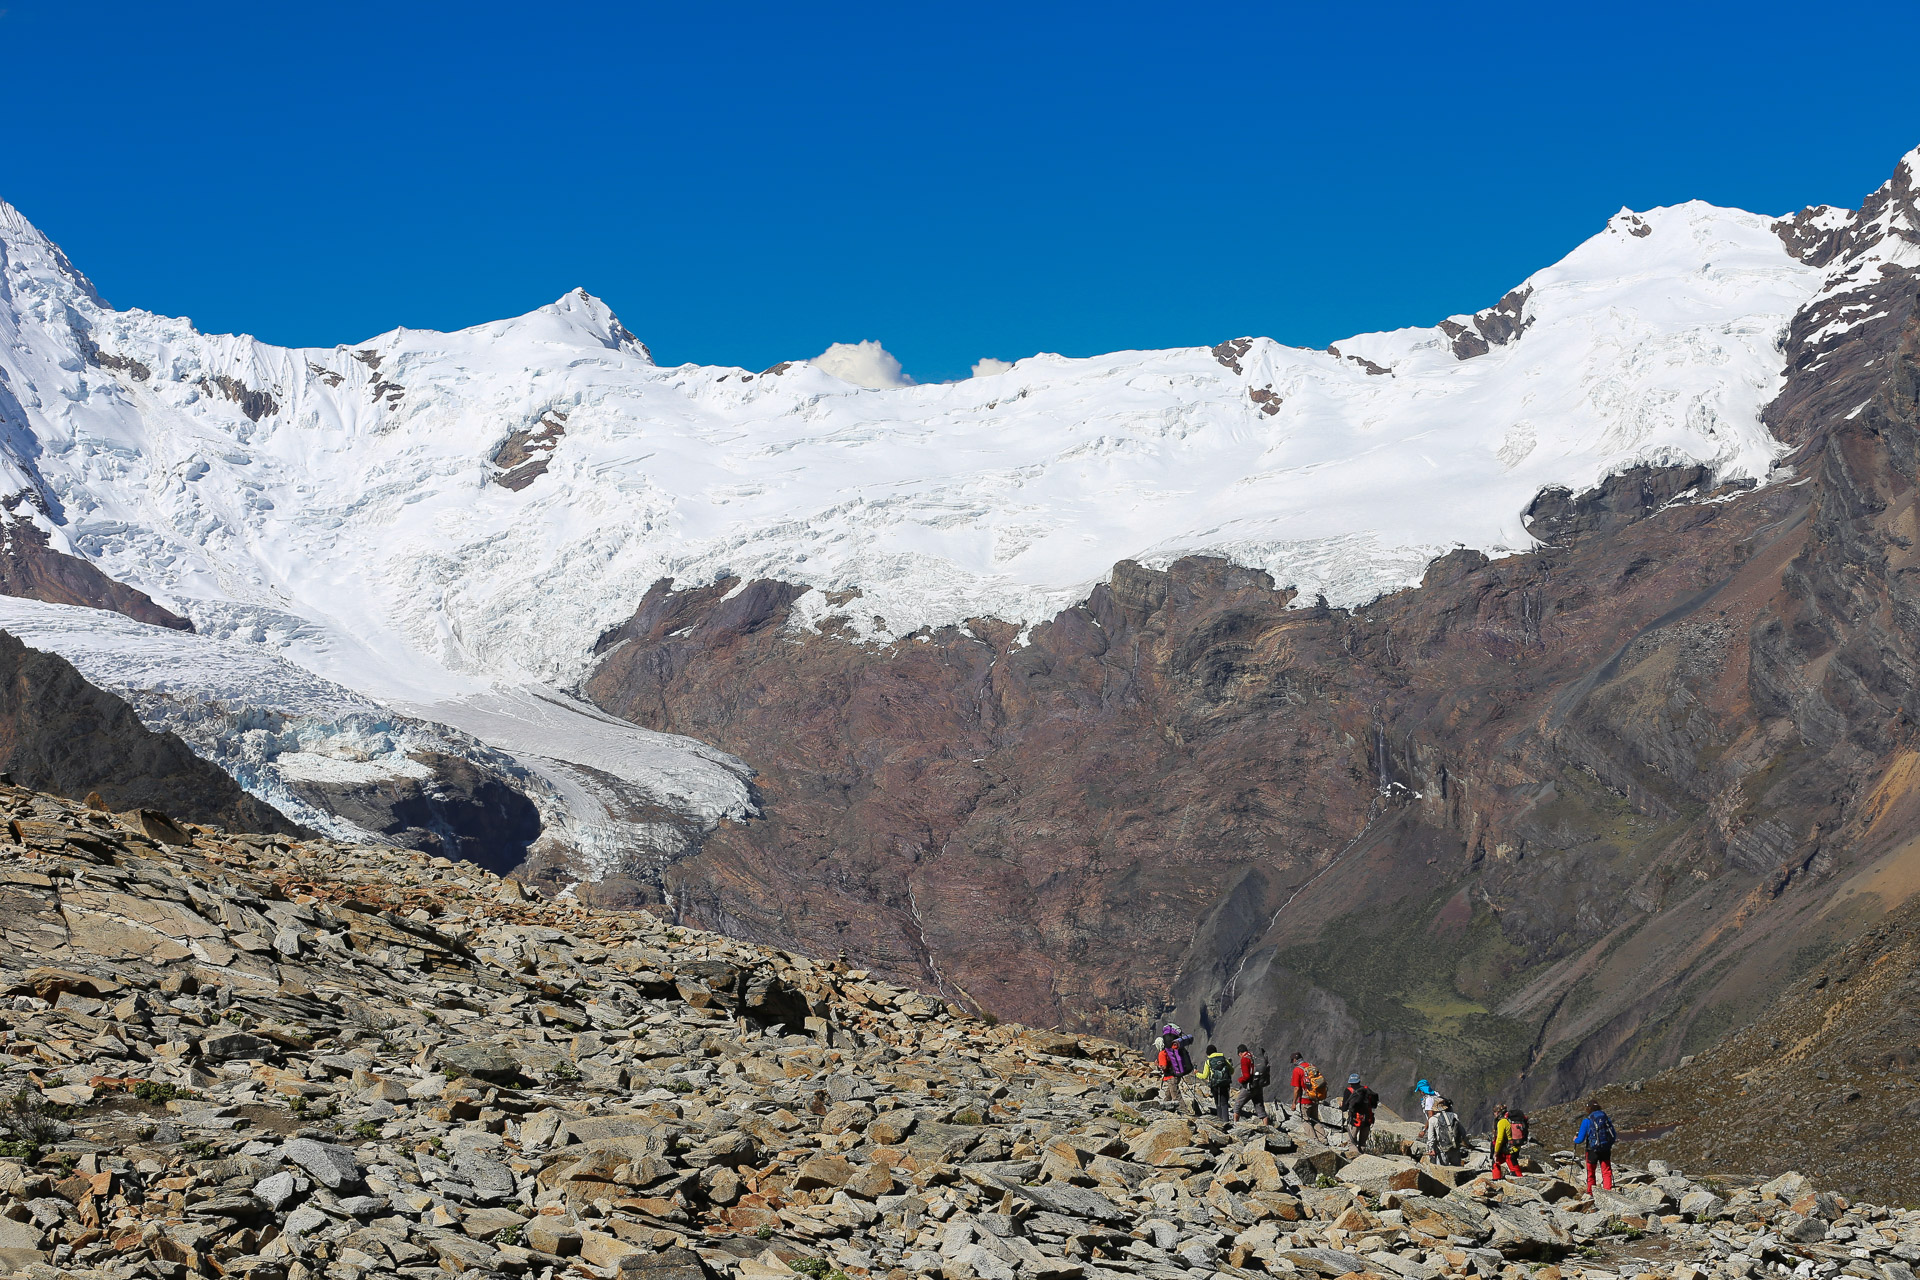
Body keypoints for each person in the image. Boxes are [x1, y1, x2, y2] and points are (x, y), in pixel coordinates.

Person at [1575, 1100, 1616, 1192]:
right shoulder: (1606, 1119)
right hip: (1605, 1148)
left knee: (1591, 1173)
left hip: (1591, 1150)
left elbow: (1580, 1140)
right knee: (1606, 1171)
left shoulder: (1587, 1121)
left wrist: (1575, 1139)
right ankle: (1608, 1192)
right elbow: (1613, 1135)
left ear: (1588, 1109)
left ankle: (1590, 1193)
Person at [1155, 1025, 1197, 1115]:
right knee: (1168, 1095)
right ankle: (1164, 1110)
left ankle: (1185, 1112)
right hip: (1176, 1075)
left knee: (1176, 1095)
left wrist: (1158, 1065)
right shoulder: (1169, 1051)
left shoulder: (1162, 1053)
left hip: (1170, 1076)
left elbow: (1164, 1067)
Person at [1340, 1073, 1378, 1152]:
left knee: (1352, 1142)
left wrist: (1342, 1105)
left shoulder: (1348, 1091)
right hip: (1368, 1119)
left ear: (1350, 1082)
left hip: (1355, 1119)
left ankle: (1355, 1157)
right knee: (1362, 1143)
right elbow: (1374, 1104)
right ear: (1359, 1081)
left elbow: (1344, 1108)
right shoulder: (1367, 1089)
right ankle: (1362, 1157)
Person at [1199, 1043, 1233, 1122]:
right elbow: (1231, 1071)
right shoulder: (1223, 1059)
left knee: (1217, 1102)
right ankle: (1226, 1120)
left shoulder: (1208, 1061)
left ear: (1208, 1053)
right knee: (1224, 1102)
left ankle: (1220, 1120)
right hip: (1225, 1083)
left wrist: (1196, 1073)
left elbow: (1204, 1076)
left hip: (1215, 1085)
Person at [1425, 1096, 1463, 1166]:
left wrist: (1431, 1149)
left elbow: (1431, 1138)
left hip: (1443, 1149)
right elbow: (1460, 1131)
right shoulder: (1454, 1116)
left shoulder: (1433, 1119)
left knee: (1442, 1172)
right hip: (1455, 1148)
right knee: (1458, 1170)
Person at [1289, 1052, 1327, 1120]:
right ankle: (1321, 1131)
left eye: (1292, 1060)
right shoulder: (1312, 1066)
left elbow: (1296, 1088)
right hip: (1315, 1098)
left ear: (1295, 1060)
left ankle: (1311, 1131)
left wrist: (1294, 1103)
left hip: (1304, 1100)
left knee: (1305, 1121)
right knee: (1315, 1120)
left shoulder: (1297, 1070)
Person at [1491, 1104, 1525, 1180]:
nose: (1494, 1114)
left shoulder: (1502, 1122)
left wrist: (1496, 1153)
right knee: (1509, 1165)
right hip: (1514, 1147)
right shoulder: (1510, 1120)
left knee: (1511, 1167)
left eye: (1495, 1112)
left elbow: (1499, 1139)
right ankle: (1520, 1180)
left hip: (1509, 1150)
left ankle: (1497, 1182)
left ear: (1498, 1112)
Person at [1233, 1044, 1265, 1122]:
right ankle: (1267, 1127)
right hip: (1258, 1085)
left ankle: (1235, 1126)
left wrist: (1240, 1080)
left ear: (1240, 1053)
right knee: (1260, 1107)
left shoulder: (1244, 1059)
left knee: (1237, 1106)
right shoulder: (1253, 1057)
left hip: (1249, 1086)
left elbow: (1246, 1076)